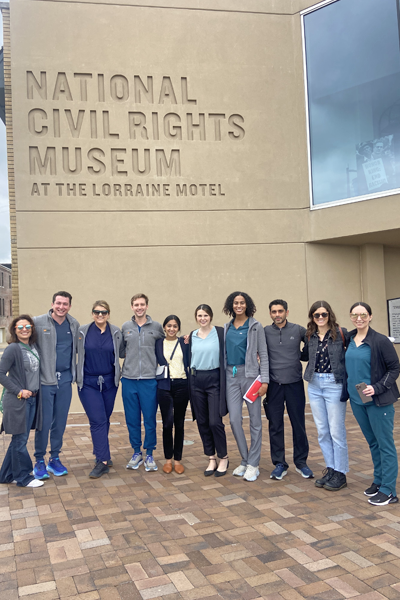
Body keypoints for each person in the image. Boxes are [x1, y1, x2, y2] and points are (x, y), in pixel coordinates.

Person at [344, 302, 399, 506]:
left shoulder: (380, 341)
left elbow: (394, 369)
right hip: (358, 399)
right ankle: (379, 480)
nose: (359, 318)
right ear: (351, 316)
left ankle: (389, 490)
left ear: (370, 316)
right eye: (355, 314)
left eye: (363, 314)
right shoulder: (349, 339)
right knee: (373, 442)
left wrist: (377, 387)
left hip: (378, 399)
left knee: (385, 444)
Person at [264, 299, 313, 480]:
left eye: (280, 311)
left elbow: (312, 340)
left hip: (294, 384)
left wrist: (301, 355)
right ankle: (279, 464)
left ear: (287, 312)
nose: (277, 314)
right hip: (274, 385)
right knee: (275, 425)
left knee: (298, 424)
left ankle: (301, 463)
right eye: (274, 311)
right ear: (270, 313)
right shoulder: (265, 332)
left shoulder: (298, 330)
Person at [33, 291, 79, 479]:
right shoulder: (38, 322)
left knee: (59, 422)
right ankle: (39, 461)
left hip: (65, 380)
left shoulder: (73, 324)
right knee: (44, 423)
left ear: (69, 306)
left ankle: (54, 459)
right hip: (45, 381)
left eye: (65, 304)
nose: (61, 307)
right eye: (58, 303)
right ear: (52, 304)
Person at [223, 292, 268, 482]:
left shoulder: (256, 326)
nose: (238, 305)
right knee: (234, 420)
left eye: (242, 303)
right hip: (230, 376)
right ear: (231, 305)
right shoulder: (226, 327)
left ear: (247, 305)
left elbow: (263, 355)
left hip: (251, 377)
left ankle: (254, 464)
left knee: (255, 422)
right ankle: (244, 459)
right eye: (235, 303)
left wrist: (264, 380)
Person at [303, 301, 349, 491]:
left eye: (323, 314)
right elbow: (304, 356)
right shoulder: (310, 335)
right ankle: (331, 468)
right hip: (314, 385)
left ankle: (341, 472)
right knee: (322, 430)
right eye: (316, 315)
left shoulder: (341, 333)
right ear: (312, 317)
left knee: (336, 430)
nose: (320, 318)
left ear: (329, 314)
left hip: (334, 384)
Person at [76, 301, 122, 478]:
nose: (100, 315)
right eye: (97, 312)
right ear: (92, 313)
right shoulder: (82, 331)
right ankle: (102, 461)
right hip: (88, 382)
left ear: (108, 314)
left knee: (105, 419)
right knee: (98, 420)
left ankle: (102, 452)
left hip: (110, 382)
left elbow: (123, 351)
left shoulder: (116, 332)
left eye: (103, 312)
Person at [120, 294, 164, 472]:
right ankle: (136, 452)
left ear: (147, 306)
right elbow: (121, 351)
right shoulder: (125, 327)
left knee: (150, 419)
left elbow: (166, 344)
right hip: (129, 380)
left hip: (149, 380)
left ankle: (150, 453)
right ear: (132, 307)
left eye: (142, 304)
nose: (139, 307)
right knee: (132, 419)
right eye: (136, 305)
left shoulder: (156, 327)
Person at [0, 315, 44, 488]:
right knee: (20, 440)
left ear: (32, 328)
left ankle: (5, 474)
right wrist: (19, 391)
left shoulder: (32, 346)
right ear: (14, 330)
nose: (24, 329)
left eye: (27, 326)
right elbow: (1, 373)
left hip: (31, 400)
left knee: (19, 439)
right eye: (20, 327)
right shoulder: (13, 349)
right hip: (18, 401)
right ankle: (23, 477)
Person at [188, 304, 228, 476]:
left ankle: (223, 457)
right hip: (196, 380)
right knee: (202, 421)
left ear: (210, 316)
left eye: (205, 315)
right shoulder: (192, 335)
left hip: (214, 379)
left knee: (215, 421)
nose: (202, 318)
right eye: (199, 315)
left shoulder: (220, 333)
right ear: (196, 317)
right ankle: (211, 457)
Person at [155, 315, 190, 474]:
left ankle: (178, 460)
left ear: (179, 328)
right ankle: (168, 459)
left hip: (182, 384)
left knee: (179, 423)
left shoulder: (184, 342)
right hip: (164, 385)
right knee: (167, 423)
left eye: (175, 326)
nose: (171, 329)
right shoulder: (158, 343)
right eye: (169, 326)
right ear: (164, 327)